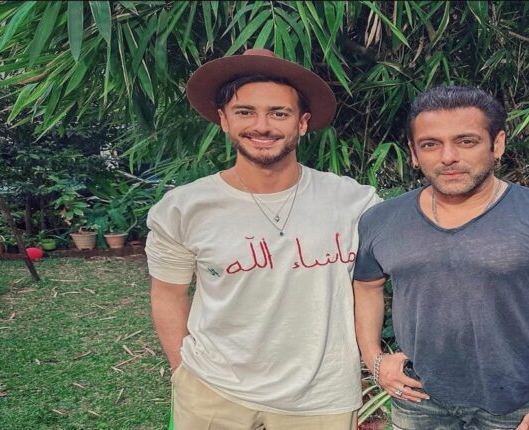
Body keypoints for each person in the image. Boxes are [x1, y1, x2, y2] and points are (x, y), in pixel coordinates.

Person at [353, 85, 529, 430]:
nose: (448, 157)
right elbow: (367, 287)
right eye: (430, 144)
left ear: (498, 144)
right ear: (414, 153)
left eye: (466, 141)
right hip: (417, 399)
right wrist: (374, 359)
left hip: (517, 404)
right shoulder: (381, 220)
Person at [146, 48, 379, 430]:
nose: (262, 126)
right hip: (213, 390)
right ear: (224, 120)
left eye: (279, 113)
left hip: (321, 397)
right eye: (245, 112)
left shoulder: (353, 202)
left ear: (302, 123)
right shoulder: (184, 208)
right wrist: (182, 372)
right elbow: (168, 294)